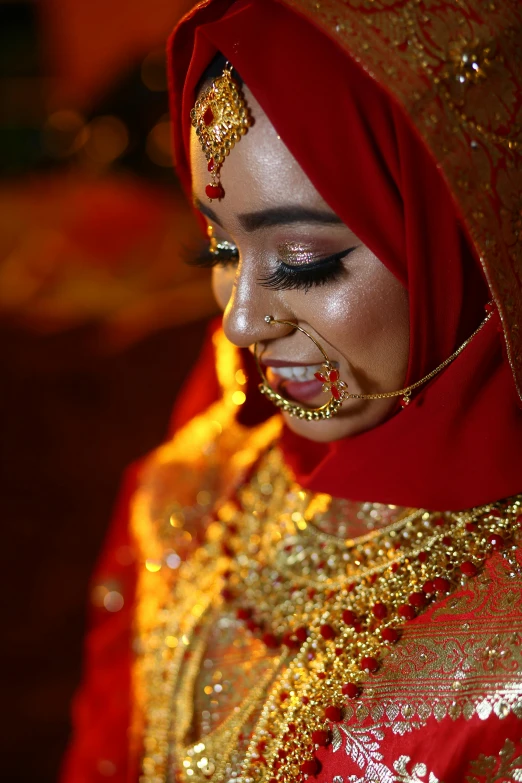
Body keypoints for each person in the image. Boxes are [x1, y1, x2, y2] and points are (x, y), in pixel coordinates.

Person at [61, 1, 522, 781]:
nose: (242, 323)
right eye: (216, 247)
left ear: (468, 230)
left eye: (305, 260)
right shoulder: (195, 489)